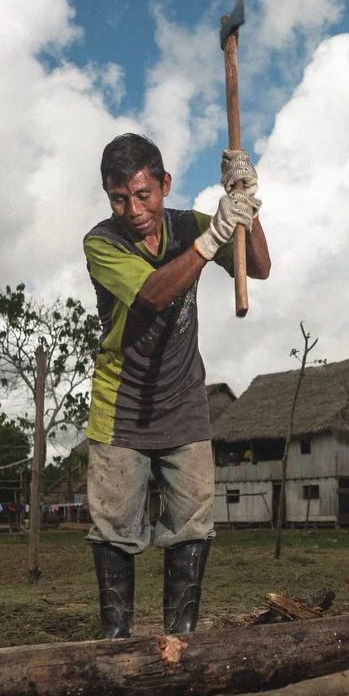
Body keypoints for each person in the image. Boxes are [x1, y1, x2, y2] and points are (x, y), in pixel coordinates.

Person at [82, 133, 271, 638]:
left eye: (143, 195)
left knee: (191, 525)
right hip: (120, 408)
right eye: (119, 199)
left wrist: (246, 204)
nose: (133, 210)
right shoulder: (102, 242)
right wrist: (210, 243)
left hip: (185, 403)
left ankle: (180, 639)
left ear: (164, 185)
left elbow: (258, 266)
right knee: (114, 530)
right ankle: (115, 643)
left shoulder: (186, 224)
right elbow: (153, 294)